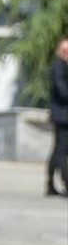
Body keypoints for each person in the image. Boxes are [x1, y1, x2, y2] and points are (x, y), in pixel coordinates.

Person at [47, 37, 68, 197]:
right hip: (62, 116)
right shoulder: (58, 67)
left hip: (62, 115)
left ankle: (49, 184)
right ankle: (65, 181)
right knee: (61, 151)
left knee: (57, 152)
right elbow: (63, 91)